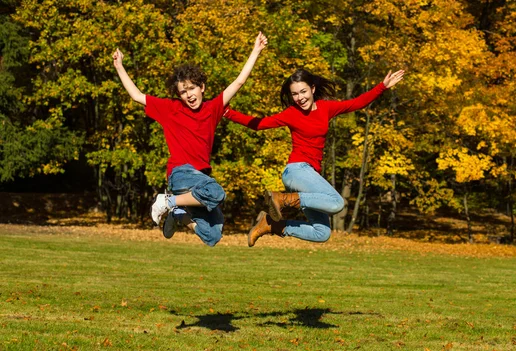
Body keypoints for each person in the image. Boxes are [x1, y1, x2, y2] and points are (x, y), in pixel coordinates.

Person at [112, 32, 268, 246]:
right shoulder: (171, 109)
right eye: (183, 92)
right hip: (181, 173)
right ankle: (167, 201)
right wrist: (119, 66)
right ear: (179, 95)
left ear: (202, 87)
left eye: (192, 88)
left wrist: (256, 51)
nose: (189, 95)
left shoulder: (213, 108)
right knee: (217, 193)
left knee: (213, 235)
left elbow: (239, 82)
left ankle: (176, 214)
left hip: (199, 180)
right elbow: (137, 96)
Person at [225, 68, 404, 247]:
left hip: (310, 175)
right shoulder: (291, 113)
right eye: (294, 94)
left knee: (321, 233)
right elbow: (259, 124)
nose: (300, 97)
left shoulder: (325, 108)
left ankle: (274, 225)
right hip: (296, 171)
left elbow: (356, 103)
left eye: (303, 91)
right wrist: (227, 113)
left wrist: (383, 86)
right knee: (336, 203)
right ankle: (282, 199)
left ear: (312, 89)